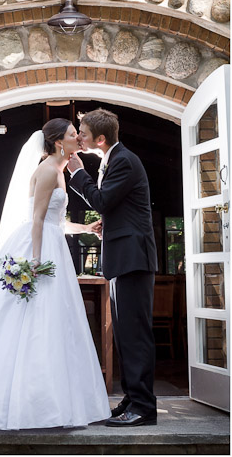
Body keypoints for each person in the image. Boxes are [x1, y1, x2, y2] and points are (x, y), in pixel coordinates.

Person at [0, 119, 110, 430]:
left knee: (56, 323)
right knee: (27, 320)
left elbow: (56, 222)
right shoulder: (46, 170)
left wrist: (84, 229)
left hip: (52, 246)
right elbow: (37, 220)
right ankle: (14, 402)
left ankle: (53, 402)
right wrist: (37, 261)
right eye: (71, 135)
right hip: (38, 249)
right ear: (57, 142)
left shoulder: (60, 170)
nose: (78, 138)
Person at [68, 108, 158, 427]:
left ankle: (144, 408)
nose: (79, 136)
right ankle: (132, 398)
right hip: (124, 258)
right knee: (124, 334)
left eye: (83, 132)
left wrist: (78, 173)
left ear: (100, 139)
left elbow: (102, 200)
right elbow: (117, 206)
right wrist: (111, 223)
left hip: (133, 260)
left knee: (135, 335)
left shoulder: (123, 160)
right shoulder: (112, 158)